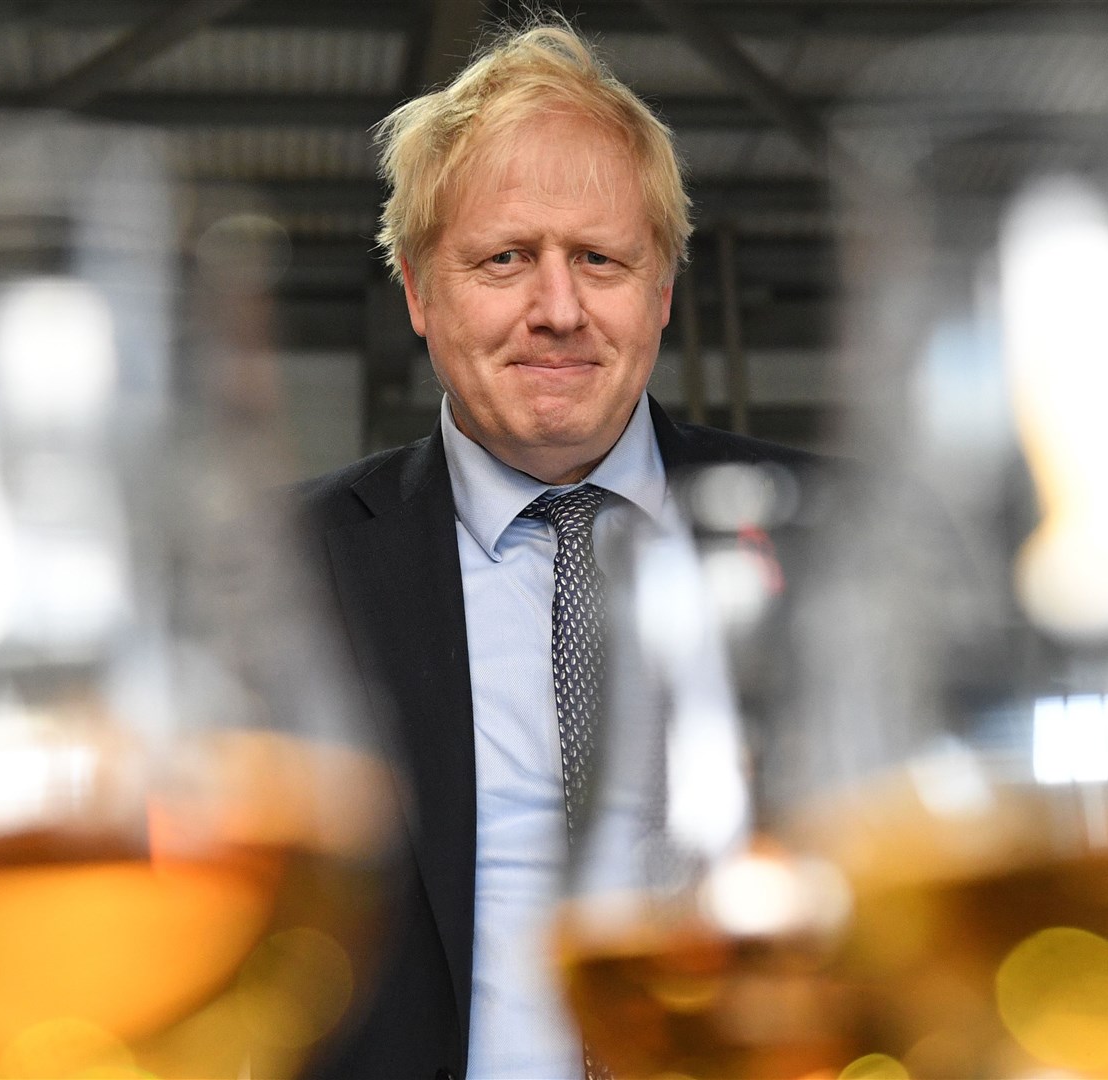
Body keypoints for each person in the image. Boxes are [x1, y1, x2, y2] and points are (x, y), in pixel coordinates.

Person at [298, 20, 825, 1080]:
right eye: (505, 259)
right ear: (417, 289)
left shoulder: (831, 537)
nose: (558, 309)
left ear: (664, 290)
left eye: (601, 260)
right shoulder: (287, 570)